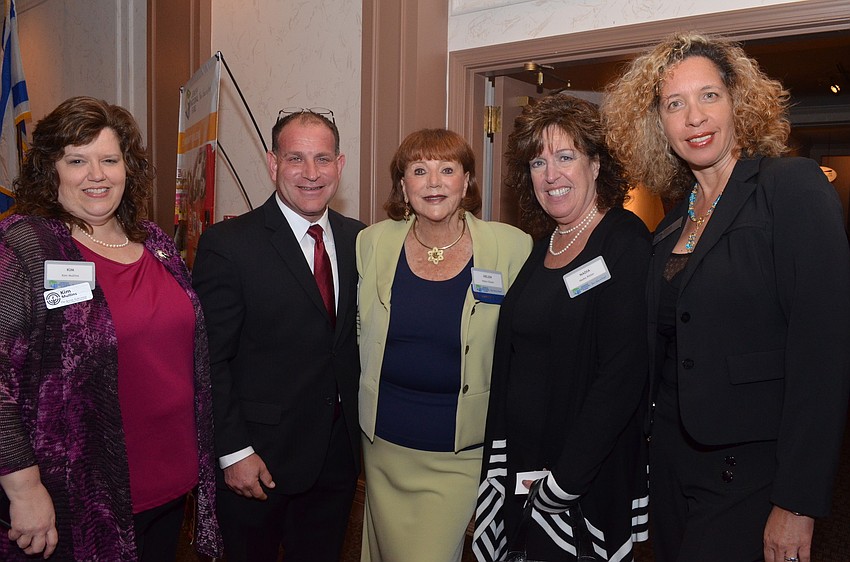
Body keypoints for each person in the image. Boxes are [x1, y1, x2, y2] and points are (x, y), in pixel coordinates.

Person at [602, 31, 850, 562]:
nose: (694, 117)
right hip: (671, 466)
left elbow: (823, 352)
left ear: (738, 101)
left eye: (709, 95)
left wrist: (797, 501)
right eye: (674, 104)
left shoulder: (790, 187)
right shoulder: (671, 223)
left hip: (753, 474)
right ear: (657, 124)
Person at [0, 96, 221, 560]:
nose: (96, 175)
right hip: (81, 498)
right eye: (77, 160)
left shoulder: (154, 240)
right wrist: (24, 488)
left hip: (170, 481)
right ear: (50, 169)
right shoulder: (28, 246)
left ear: (127, 168)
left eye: (109, 160)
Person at [473, 93, 651, 562]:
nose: (550, 175)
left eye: (565, 157)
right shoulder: (544, 245)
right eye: (538, 162)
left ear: (596, 163)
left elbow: (622, 375)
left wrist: (566, 480)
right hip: (525, 462)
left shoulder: (624, 241)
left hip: (580, 475)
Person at [192, 107, 364, 561]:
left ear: (340, 165)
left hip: (336, 459)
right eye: (295, 159)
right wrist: (233, 452)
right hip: (258, 461)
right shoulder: (229, 244)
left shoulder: (359, 240)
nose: (311, 173)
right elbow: (209, 359)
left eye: (322, 159)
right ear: (273, 164)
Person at [357, 128, 532, 562]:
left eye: (447, 170)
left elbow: (529, 346)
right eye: (419, 171)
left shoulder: (511, 247)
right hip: (384, 445)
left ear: (467, 181)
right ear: (403, 185)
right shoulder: (373, 242)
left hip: (460, 453)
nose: (433, 182)